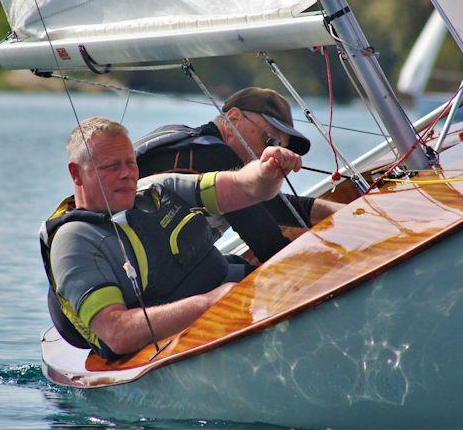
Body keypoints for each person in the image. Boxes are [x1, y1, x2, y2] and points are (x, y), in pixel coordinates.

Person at [40, 117, 303, 358]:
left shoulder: (158, 189)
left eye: (130, 162)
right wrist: (209, 303)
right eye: (111, 166)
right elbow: (116, 333)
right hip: (185, 341)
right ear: (76, 173)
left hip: (232, 294)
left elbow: (246, 187)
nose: (127, 173)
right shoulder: (73, 241)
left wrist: (266, 170)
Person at [134, 87, 343, 262]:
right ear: (233, 118)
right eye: (270, 141)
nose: (272, 151)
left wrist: (345, 213)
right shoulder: (215, 155)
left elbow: (272, 205)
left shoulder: (191, 144)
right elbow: (268, 245)